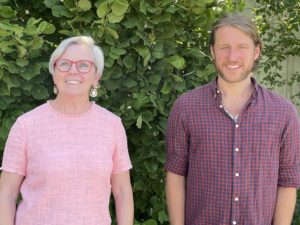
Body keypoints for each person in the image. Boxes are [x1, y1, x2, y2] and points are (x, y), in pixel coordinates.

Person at [165, 13, 300, 225]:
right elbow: (175, 175)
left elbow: (287, 183)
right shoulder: (186, 108)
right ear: (212, 51)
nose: (232, 57)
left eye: (242, 47)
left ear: (256, 51)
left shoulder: (284, 113)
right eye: (224, 47)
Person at [0, 36, 134, 225]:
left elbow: (122, 192)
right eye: (64, 64)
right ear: (54, 73)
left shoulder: (112, 125)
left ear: (96, 77)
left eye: (84, 65)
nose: (73, 71)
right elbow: (6, 194)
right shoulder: (26, 125)